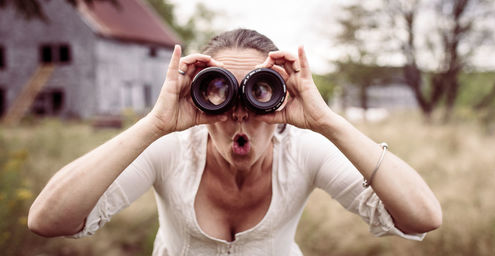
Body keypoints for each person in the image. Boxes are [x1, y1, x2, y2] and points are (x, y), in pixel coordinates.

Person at [28, 29, 442, 255]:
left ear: (282, 96)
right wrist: (155, 124)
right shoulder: (170, 149)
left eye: (261, 92)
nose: (240, 112)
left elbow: (422, 216)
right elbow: (48, 221)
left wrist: (325, 121)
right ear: (197, 94)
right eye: (218, 92)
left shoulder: (303, 150)